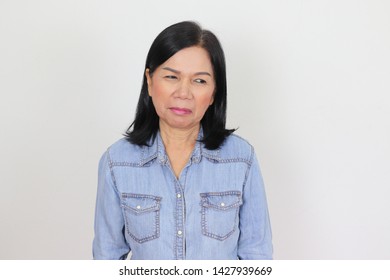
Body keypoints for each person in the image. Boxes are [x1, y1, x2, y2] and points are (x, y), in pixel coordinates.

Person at [93, 21, 273, 260]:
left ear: (213, 93)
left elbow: (256, 255)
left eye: (199, 81)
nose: (183, 93)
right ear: (150, 80)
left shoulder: (241, 159)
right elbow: (107, 257)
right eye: (171, 76)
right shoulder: (116, 162)